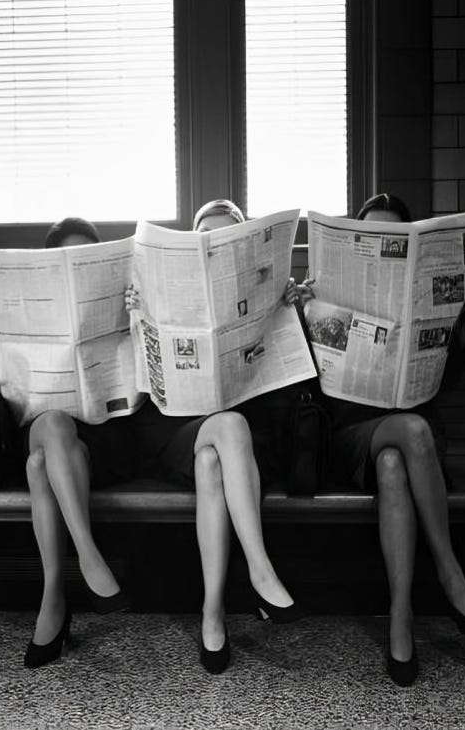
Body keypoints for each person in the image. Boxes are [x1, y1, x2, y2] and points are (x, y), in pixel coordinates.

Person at [294, 193, 465, 687]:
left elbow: (447, 382)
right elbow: (306, 377)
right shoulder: (327, 293)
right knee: (413, 429)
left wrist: (463, 322)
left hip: (409, 440)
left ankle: (400, 619)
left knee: (394, 465)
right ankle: (449, 569)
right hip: (348, 434)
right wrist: (302, 316)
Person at [125, 199, 304, 675]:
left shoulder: (267, 293)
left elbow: (291, 385)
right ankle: (259, 568)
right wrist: (136, 314)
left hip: (245, 444)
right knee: (226, 426)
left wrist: (288, 313)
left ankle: (212, 612)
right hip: (173, 427)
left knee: (214, 459)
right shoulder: (156, 291)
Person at [22, 217, 132, 669]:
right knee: (50, 423)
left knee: (38, 466)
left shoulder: (119, 301)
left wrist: (136, 318)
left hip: (104, 435)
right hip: (42, 420)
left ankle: (53, 599)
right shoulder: (29, 305)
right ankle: (89, 556)